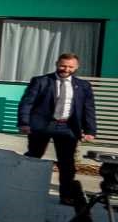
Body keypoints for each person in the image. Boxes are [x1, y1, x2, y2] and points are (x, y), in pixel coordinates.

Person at [18, 51, 97, 196]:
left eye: (70, 67)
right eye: (63, 66)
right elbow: (27, 103)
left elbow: (88, 108)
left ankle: (66, 196)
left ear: (76, 67)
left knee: (67, 163)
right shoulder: (41, 81)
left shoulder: (83, 85)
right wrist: (24, 123)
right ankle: (23, 189)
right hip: (42, 126)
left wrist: (91, 131)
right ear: (57, 64)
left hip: (67, 127)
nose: (66, 69)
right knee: (33, 156)